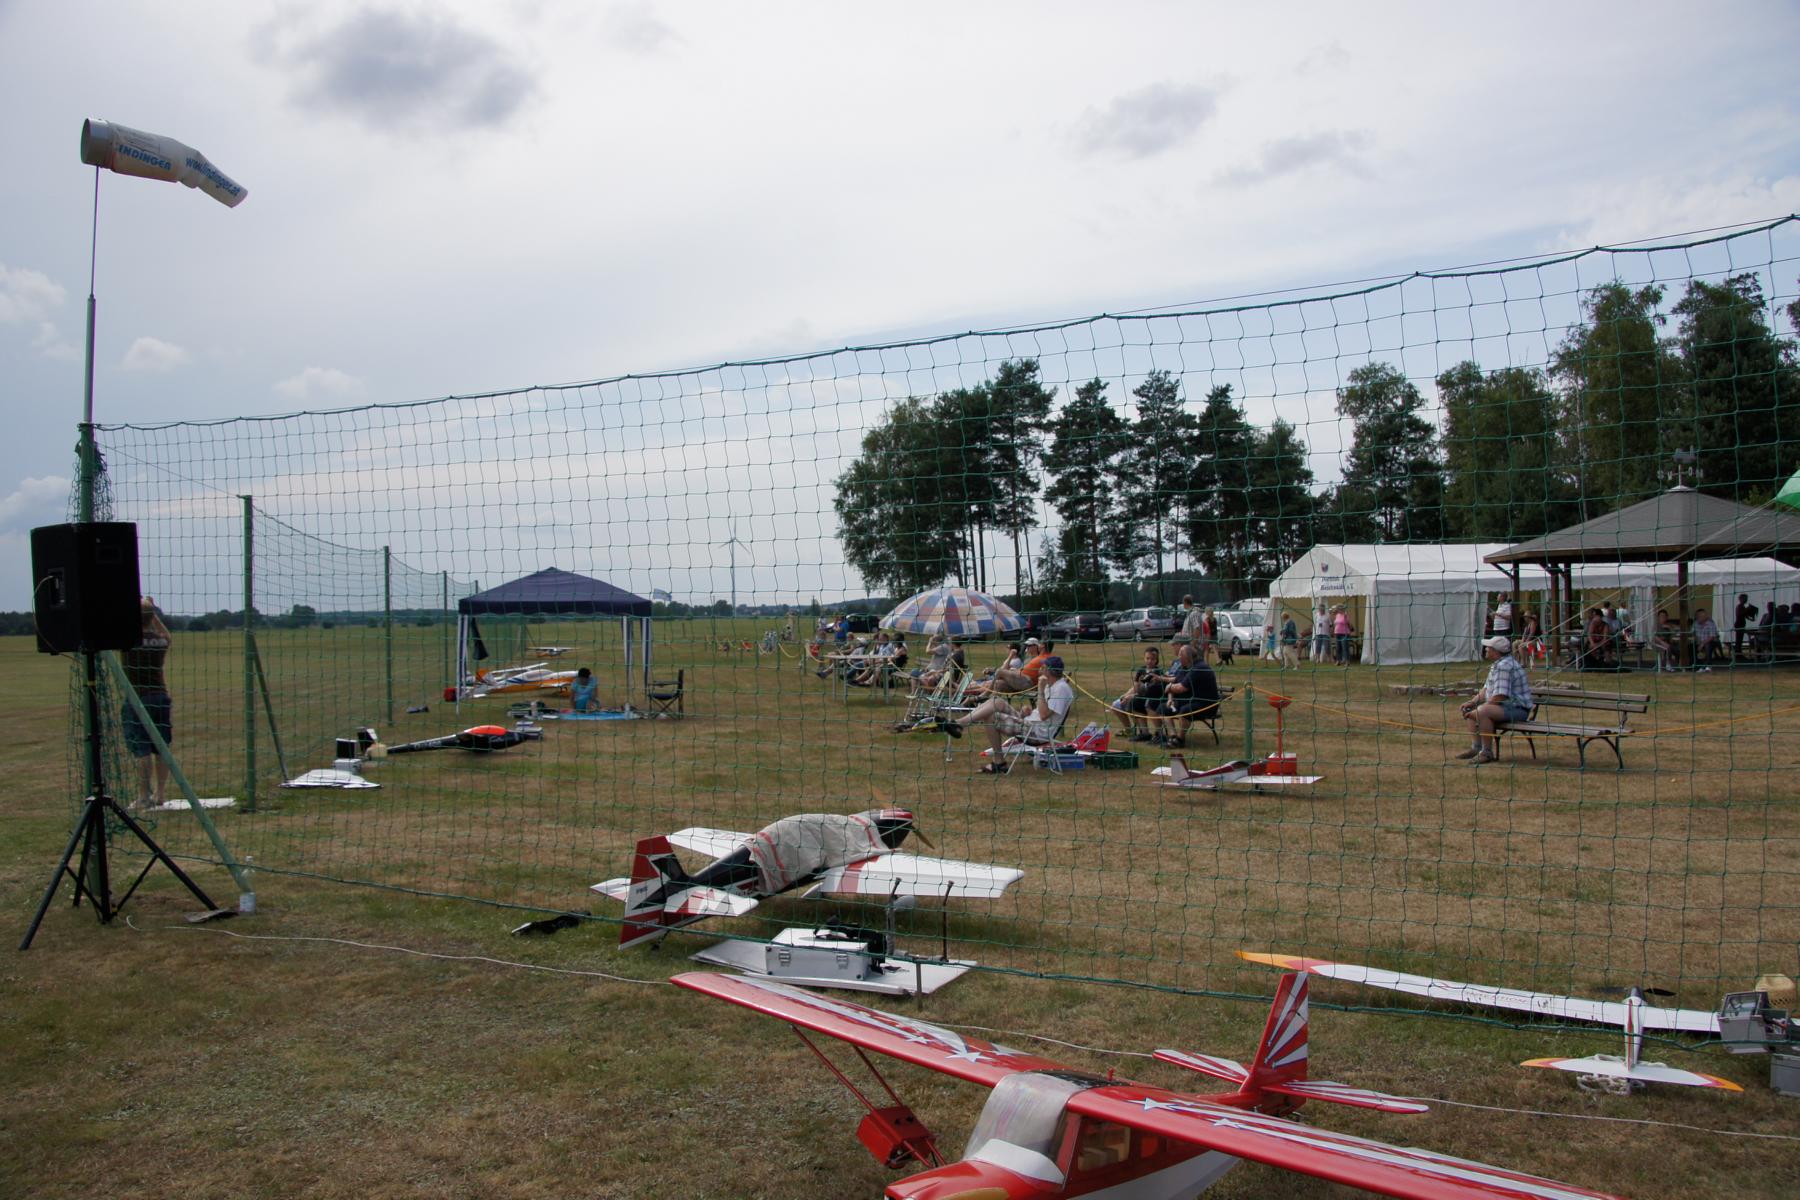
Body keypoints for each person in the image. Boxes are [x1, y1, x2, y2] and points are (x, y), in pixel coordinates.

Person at [942, 656, 1076, 774]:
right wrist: (1027, 712)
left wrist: (1040, 689)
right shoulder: (1051, 685)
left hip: (1036, 733)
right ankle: (959, 724)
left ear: (1049, 670)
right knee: (996, 701)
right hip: (1030, 723)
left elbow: (1044, 715)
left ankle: (999, 762)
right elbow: (1043, 711)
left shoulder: (1060, 689)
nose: (1040, 669)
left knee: (992, 717)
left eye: (1043, 667)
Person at [122, 596, 174, 808]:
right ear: (152, 618)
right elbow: (167, 636)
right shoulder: (160, 641)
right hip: (160, 696)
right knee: (161, 747)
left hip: (138, 698)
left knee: (142, 748)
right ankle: (160, 794)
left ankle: (143, 796)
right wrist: (151, 612)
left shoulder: (128, 641)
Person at [1457, 635, 1532, 765]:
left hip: (1518, 709)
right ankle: (1476, 748)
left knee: (1482, 712)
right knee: (1472, 709)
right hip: (1505, 707)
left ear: (1496, 651)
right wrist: (1472, 702)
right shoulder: (1498, 664)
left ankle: (1486, 753)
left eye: (1489, 647)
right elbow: (1486, 689)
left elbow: (1501, 696)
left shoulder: (1504, 666)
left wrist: (1482, 708)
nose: (1486, 649)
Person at [1154, 642, 1221, 748]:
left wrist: (1169, 687)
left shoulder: (1199, 668)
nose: (1178, 657)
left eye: (1181, 655)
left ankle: (1180, 740)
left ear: (1187, 657)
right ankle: (1173, 737)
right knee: (1162, 709)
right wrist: (1169, 696)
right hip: (1190, 700)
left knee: (1185, 710)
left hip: (1206, 704)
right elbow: (1175, 680)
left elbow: (1181, 687)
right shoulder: (1185, 666)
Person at [1116, 646, 1169, 741]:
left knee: (1141, 701)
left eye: (1152, 659)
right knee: (1133, 702)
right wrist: (1127, 695)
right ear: (1144, 658)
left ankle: (1159, 734)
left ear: (1157, 660)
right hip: (1142, 697)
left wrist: (1133, 695)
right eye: (1147, 658)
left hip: (1154, 698)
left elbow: (1152, 690)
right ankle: (1144, 733)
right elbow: (1136, 687)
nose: (1149, 661)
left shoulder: (1158, 672)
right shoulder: (1141, 670)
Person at [1733, 593, 1751, 659]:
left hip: (1741, 624)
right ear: (1741, 599)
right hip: (1739, 625)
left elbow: (1745, 615)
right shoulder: (1740, 606)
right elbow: (1740, 614)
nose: (1746, 600)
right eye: (1745, 598)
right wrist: (1747, 610)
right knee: (1738, 640)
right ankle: (1738, 654)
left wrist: (1750, 618)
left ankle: (1738, 653)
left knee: (1739, 640)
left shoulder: (1742, 606)